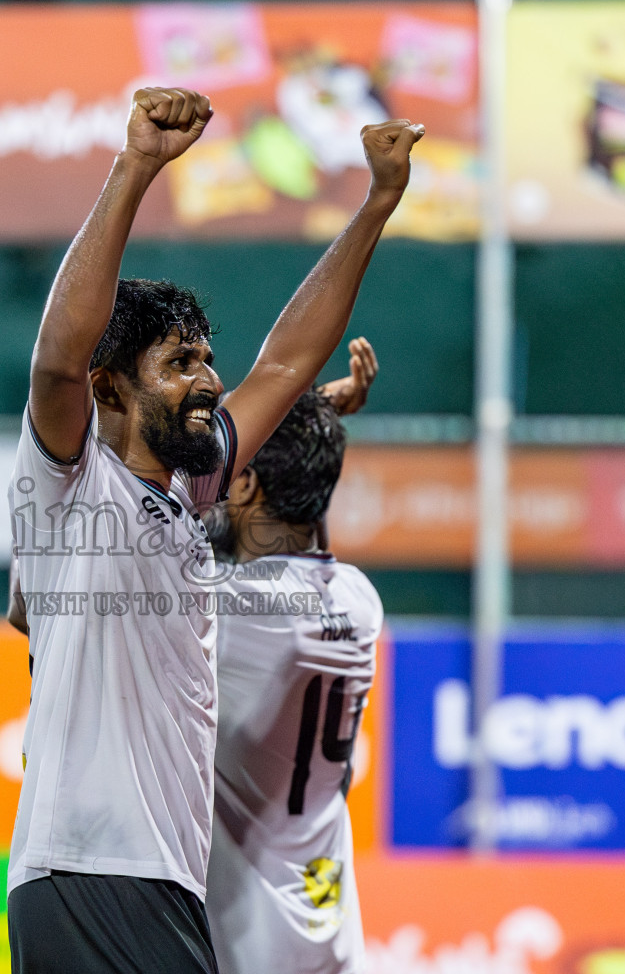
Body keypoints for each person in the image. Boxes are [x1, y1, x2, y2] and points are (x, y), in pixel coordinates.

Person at [7, 81, 419, 974]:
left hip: (162, 881)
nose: (208, 377)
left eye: (206, 358)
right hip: (89, 871)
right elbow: (56, 361)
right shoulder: (71, 487)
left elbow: (285, 359)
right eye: (179, 362)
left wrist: (376, 204)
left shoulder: (191, 492)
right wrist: (136, 169)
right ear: (113, 388)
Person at [203, 341, 382, 974]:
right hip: (331, 938)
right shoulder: (360, 601)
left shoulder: (223, 610)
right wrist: (320, 424)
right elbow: (306, 507)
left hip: (248, 944)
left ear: (246, 481)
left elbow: (165, 504)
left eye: (225, 470)